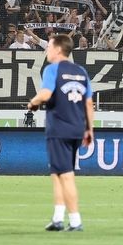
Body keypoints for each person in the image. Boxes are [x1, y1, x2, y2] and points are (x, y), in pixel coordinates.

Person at [27, 34, 94, 233]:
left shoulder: (52, 69)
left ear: (58, 50)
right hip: (76, 128)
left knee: (66, 176)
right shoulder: (80, 71)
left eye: (49, 47)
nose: (46, 50)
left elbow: (46, 94)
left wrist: (33, 103)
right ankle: (58, 219)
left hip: (59, 129)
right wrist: (89, 129)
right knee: (57, 173)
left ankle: (75, 222)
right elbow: (89, 103)